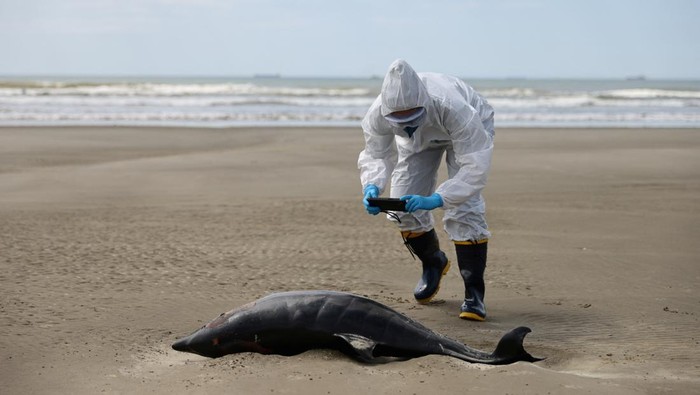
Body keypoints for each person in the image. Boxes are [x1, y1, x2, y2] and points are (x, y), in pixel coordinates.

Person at [358, 59, 495, 321]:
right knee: (402, 207)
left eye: (411, 116)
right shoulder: (376, 114)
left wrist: (437, 199)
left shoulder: (454, 108)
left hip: (467, 134)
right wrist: (372, 186)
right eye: (398, 119)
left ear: (423, 104)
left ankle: (474, 293)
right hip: (418, 142)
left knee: (465, 209)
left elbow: (474, 167)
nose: (406, 123)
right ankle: (433, 262)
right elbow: (376, 154)